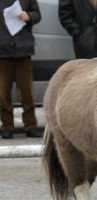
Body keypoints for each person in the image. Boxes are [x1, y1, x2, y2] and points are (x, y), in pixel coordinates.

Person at [0, 0, 42, 139]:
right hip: (2, 51)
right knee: (3, 92)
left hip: (23, 50)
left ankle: (30, 125)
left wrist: (29, 16)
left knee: (26, 92)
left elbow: (37, 14)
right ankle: (7, 126)